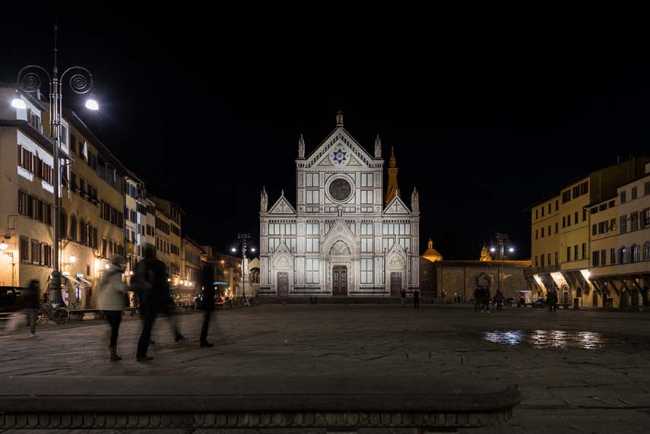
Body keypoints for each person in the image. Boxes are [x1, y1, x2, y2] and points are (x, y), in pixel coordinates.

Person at [132, 244, 167, 362]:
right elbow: (162, 283)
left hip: (143, 300)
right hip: (151, 299)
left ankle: (141, 353)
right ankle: (141, 354)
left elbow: (134, 281)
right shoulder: (157, 265)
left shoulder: (139, 264)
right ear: (154, 253)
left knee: (147, 328)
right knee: (147, 328)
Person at [97, 255, 127, 361]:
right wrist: (128, 287)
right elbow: (118, 286)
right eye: (123, 262)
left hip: (105, 304)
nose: (125, 264)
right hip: (113, 305)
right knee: (115, 329)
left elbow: (100, 287)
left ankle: (110, 343)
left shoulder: (107, 271)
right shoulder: (116, 272)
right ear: (119, 263)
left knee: (112, 327)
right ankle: (112, 352)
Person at [199, 262, 216, 348]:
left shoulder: (204, 278)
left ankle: (203, 339)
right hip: (208, 301)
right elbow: (210, 291)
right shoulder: (209, 280)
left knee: (206, 321)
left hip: (206, 301)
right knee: (206, 321)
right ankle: (203, 340)